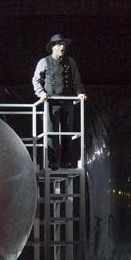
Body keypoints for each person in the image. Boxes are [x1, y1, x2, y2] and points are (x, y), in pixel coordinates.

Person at [31, 33, 87, 168]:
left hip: (67, 102)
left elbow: (76, 81)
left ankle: (66, 161)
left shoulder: (70, 62)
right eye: (60, 45)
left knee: (68, 132)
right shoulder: (44, 61)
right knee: (52, 133)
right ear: (53, 47)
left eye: (64, 45)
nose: (63, 47)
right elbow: (36, 80)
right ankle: (52, 162)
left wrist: (80, 93)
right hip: (51, 103)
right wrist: (41, 93)